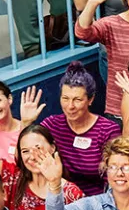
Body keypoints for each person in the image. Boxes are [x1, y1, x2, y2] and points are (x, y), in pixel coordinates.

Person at [43, 63, 124, 196]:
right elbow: (27, 154)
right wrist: (26, 122)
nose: (70, 106)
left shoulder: (107, 130)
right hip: (63, 196)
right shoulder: (52, 125)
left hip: (99, 199)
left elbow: (115, 176)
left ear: (90, 100)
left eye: (77, 100)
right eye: (65, 99)